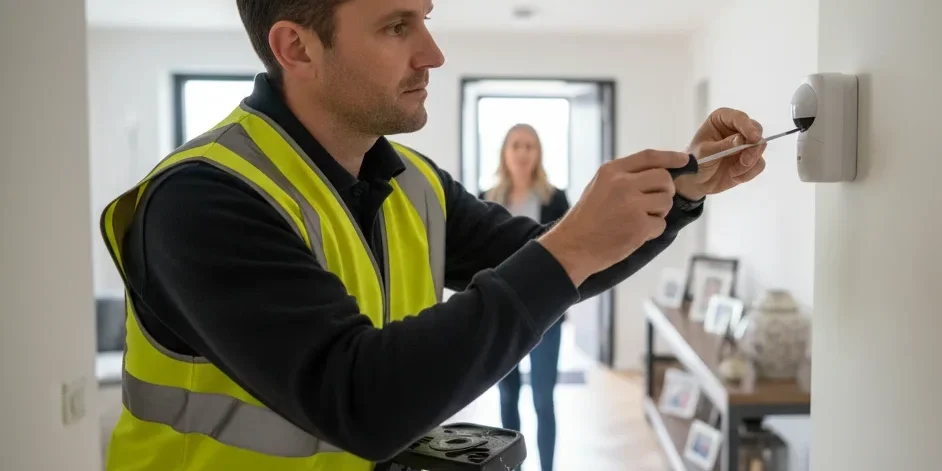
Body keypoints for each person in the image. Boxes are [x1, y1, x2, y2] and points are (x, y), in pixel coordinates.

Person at [97, 0, 768, 470]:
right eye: (398, 26)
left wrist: (683, 190)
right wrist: (568, 246)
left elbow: (561, 262)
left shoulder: (413, 182)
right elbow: (360, 399)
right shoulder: (199, 202)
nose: (434, 53)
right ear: (296, 47)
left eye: (425, 18)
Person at [478, 123, 571, 471]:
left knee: (544, 399)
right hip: (503, 314)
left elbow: (571, 251)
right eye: (516, 145)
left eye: (530, 146)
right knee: (507, 395)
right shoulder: (485, 198)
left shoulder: (555, 199)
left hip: (547, 313)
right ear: (505, 151)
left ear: (538, 153)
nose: (522, 152)